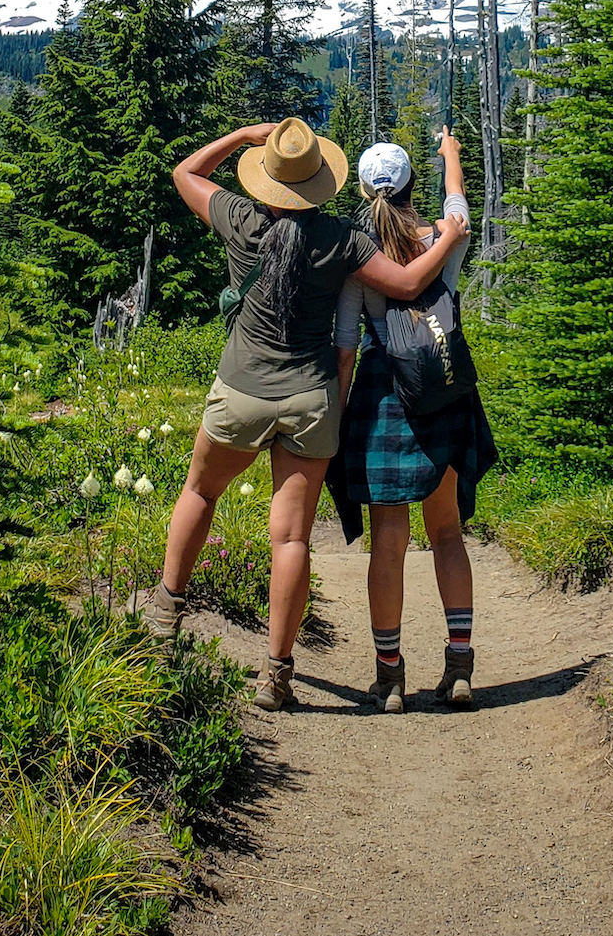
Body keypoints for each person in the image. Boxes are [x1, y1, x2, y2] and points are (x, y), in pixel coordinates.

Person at [146, 116, 470, 711]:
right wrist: (449, 236)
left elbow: (184, 172)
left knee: (199, 492)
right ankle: (277, 673)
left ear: (267, 176)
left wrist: (244, 135)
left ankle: (165, 615)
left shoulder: (240, 218)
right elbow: (402, 283)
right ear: (321, 178)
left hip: (242, 387)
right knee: (292, 537)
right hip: (310, 397)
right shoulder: (341, 239)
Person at [332, 127, 496, 713]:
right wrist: (451, 154)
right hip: (442, 390)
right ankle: (459, 668)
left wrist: (339, 414)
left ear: (362, 187)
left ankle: (390, 676)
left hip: (383, 398)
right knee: (447, 531)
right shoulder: (443, 237)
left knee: (389, 541)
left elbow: (347, 342)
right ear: (407, 188)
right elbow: (458, 207)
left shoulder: (357, 253)